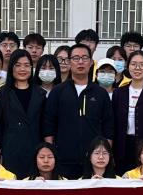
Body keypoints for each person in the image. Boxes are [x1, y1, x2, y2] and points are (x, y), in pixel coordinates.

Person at [44, 43, 115, 179]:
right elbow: (49, 125)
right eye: (76, 58)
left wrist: (105, 154)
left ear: (91, 62)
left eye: (84, 58)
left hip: (94, 162)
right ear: (70, 62)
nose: (80, 62)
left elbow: (108, 127)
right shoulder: (58, 91)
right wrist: (51, 152)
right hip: (64, 159)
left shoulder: (100, 93)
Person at [0, 50, 46, 179]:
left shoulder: (40, 94)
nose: (22, 69)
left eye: (26, 65)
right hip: (10, 151)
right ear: (11, 67)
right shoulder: (2, 93)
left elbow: (45, 126)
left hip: (35, 151)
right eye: (18, 65)